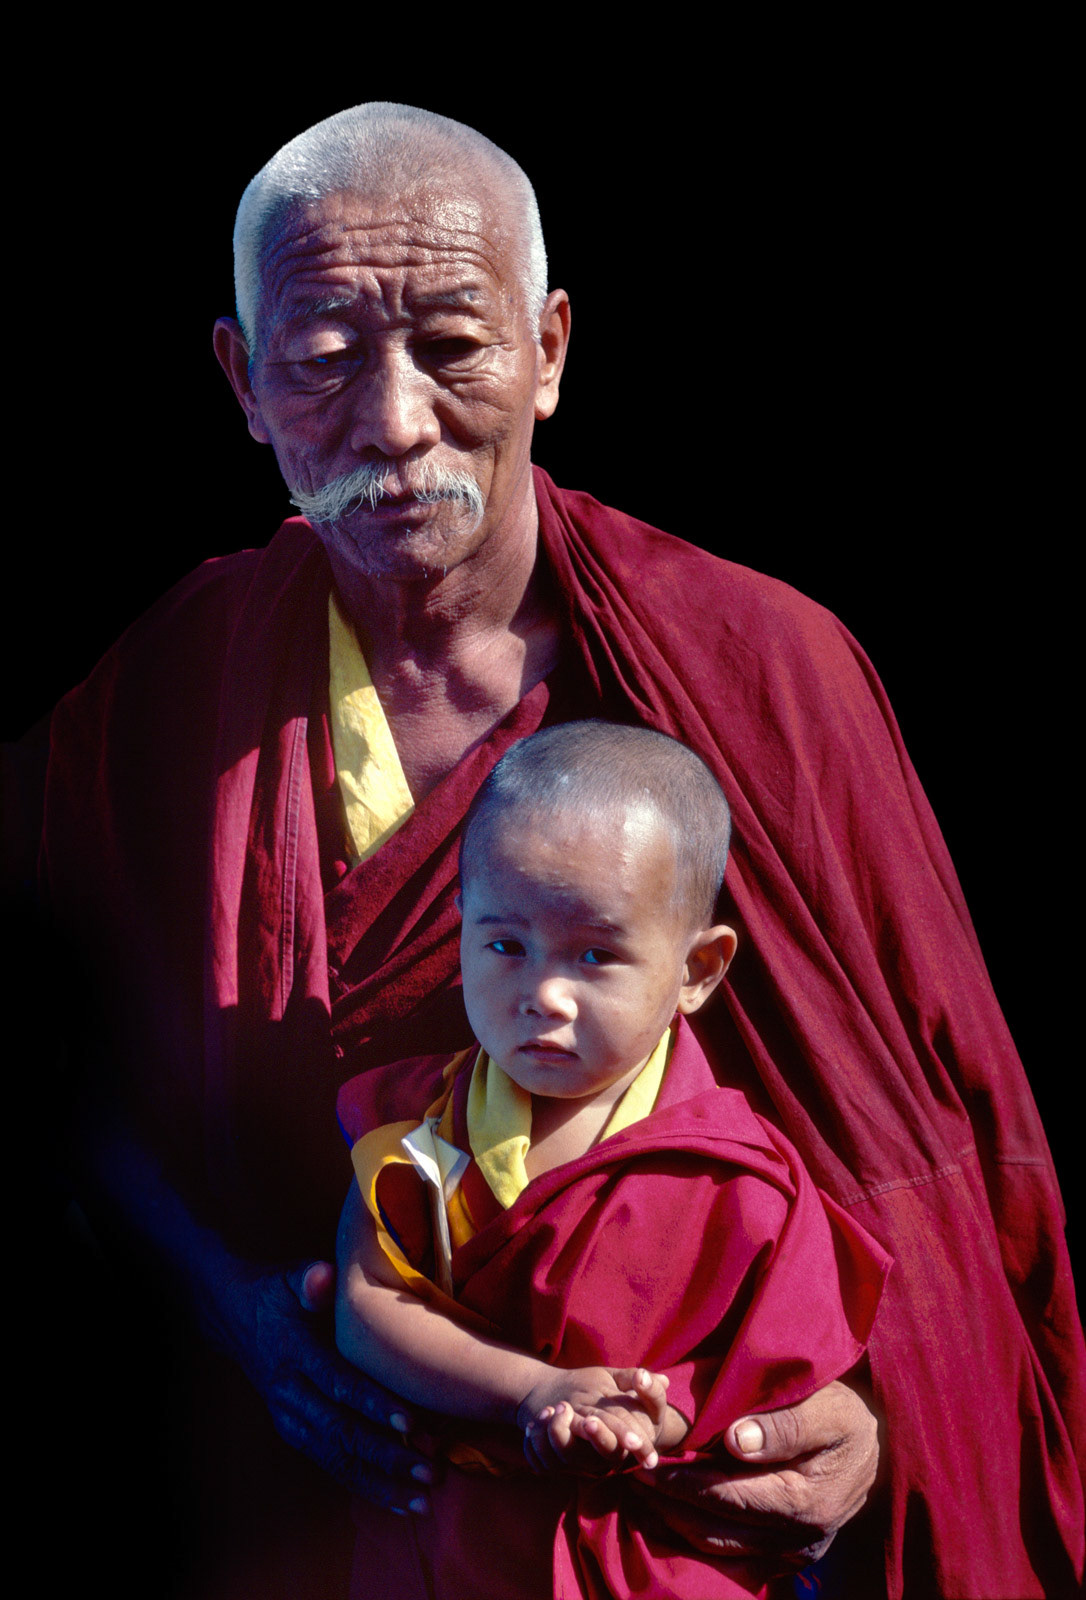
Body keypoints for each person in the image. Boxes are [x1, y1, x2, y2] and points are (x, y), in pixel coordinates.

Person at [39, 101, 1082, 1597]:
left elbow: (921, 1144)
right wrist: (236, 1314)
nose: (392, 422)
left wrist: (859, 1419)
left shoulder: (760, 665)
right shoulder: (170, 685)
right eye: (325, 357)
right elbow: (51, 1069)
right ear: (244, 383)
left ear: (550, 350)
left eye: (454, 347)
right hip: (306, 1507)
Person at [334, 721, 891, 1599]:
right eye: (505, 945)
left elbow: (779, 1380)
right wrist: (533, 1391)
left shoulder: (739, 1179)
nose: (543, 994)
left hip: (646, 1559)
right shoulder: (420, 1122)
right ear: (462, 929)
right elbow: (368, 1305)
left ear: (698, 971)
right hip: (447, 1546)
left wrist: (647, 1418)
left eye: (595, 955)